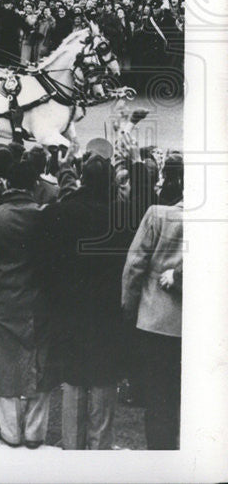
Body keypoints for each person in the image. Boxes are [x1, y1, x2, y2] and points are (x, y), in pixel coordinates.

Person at [44, 154, 130, 450]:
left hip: (71, 304)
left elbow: (51, 262)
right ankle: (99, 444)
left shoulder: (62, 212)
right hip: (107, 306)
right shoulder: (122, 216)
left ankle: (72, 443)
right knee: (104, 375)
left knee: (74, 374)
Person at [0, 160, 54, 449]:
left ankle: (10, 432)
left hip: (1, 300)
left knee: (5, 365)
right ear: (33, 184)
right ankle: (34, 431)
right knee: (39, 364)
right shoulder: (44, 216)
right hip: (38, 301)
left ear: (6, 183)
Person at [121, 153, 183, 449]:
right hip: (192, 323)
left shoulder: (158, 215)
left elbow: (134, 267)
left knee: (159, 400)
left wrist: (128, 308)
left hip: (154, 319)